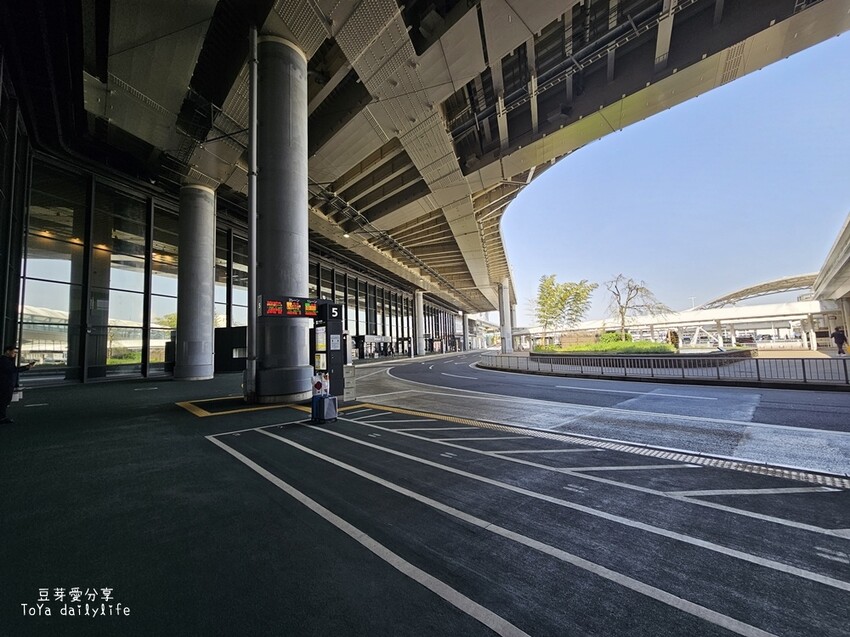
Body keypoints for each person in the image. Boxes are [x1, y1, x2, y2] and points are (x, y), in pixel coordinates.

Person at [0, 344, 35, 423]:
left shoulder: (7, 360)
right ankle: (2, 418)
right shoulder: (4, 360)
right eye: (13, 352)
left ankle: (2, 417)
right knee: (3, 401)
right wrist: (26, 367)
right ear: (8, 351)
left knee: (4, 401)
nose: (14, 354)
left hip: (7, 383)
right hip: (5, 384)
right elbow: (12, 370)